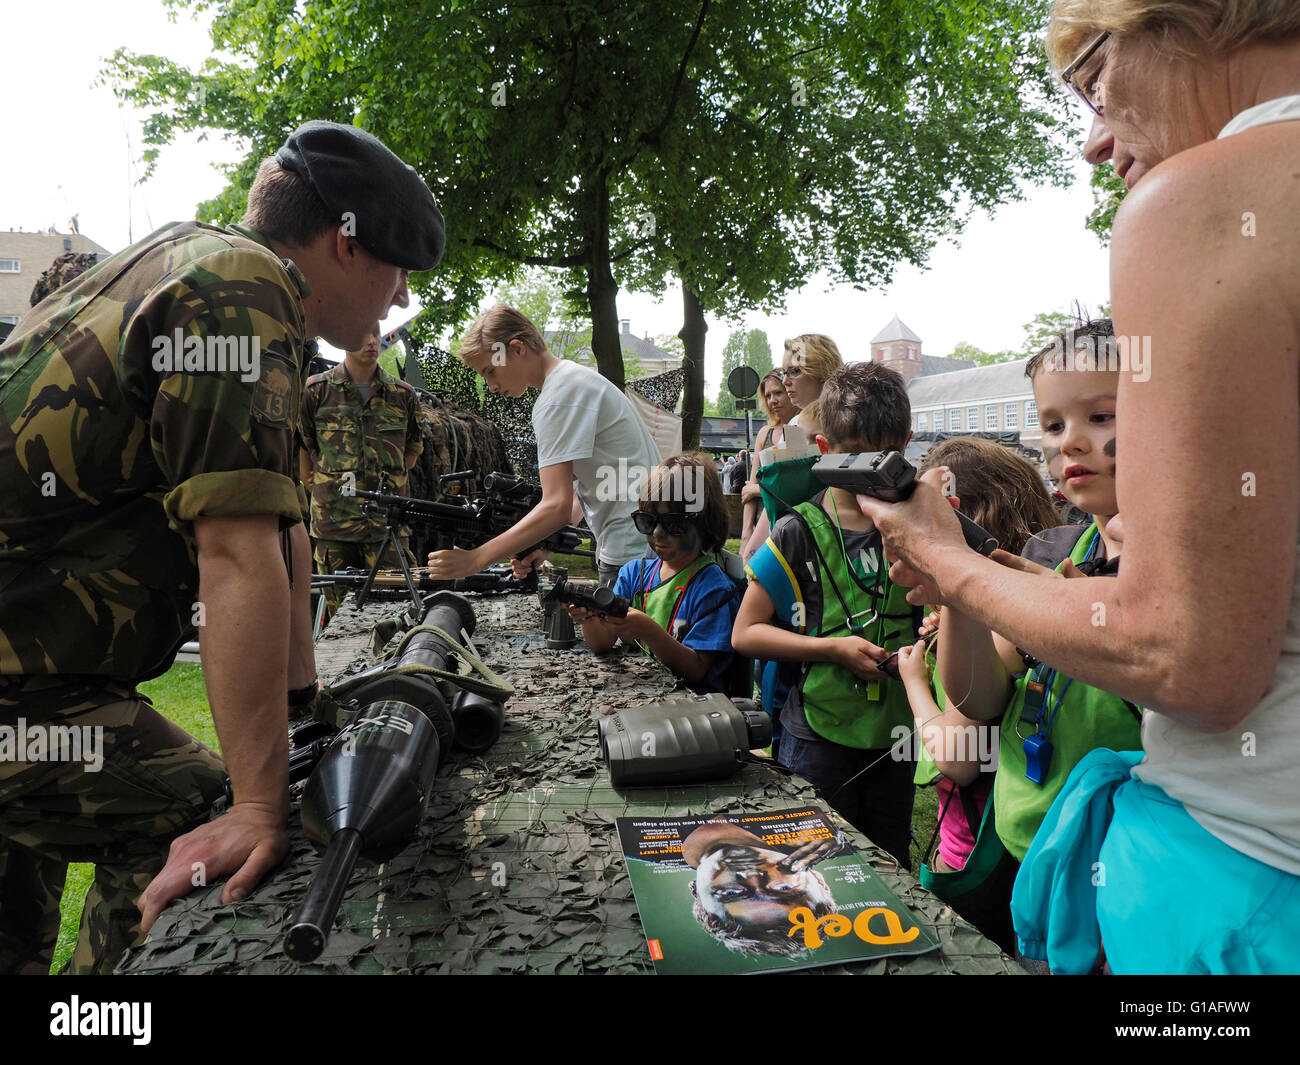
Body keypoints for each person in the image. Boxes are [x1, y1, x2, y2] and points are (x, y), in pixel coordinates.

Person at [857, 0, 1300, 974]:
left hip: (1246, 887)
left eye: (1093, 83)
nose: (1096, 142)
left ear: (1198, 18)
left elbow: (1193, 659)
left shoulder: (1206, 198)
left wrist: (941, 556)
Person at [0, 119, 443, 974]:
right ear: (344, 246)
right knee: (194, 817)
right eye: (396, 269)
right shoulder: (242, 291)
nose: (398, 300)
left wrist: (303, 700)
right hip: (24, 691)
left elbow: (280, 523)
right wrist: (256, 801)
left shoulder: (191, 257)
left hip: (36, 672)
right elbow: (234, 554)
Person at [733, 362, 919, 868]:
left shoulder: (924, 528)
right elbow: (745, 633)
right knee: (813, 866)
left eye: (884, 457)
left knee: (888, 863)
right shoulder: (798, 529)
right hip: (817, 735)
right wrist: (830, 649)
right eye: (852, 454)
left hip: (894, 736)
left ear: (906, 442)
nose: (868, 472)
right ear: (822, 449)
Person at [427, 304, 661, 588]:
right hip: (648, 540)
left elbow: (556, 505)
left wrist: (476, 559)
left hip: (633, 552)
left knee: (623, 631)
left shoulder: (557, 398)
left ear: (517, 349)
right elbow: (579, 493)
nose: (490, 385)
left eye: (490, 371)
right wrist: (544, 542)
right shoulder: (573, 381)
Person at [568, 452, 739, 695]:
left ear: (704, 522)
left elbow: (697, 669)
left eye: (673, 522)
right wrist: (589, 619)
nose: (658, 533)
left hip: (693, 710)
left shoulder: (714, 590)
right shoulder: (633, 574)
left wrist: (648, 631)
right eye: (649, 521)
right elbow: (602, 642)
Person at [300, 324, 425, 616]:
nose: (371, 341)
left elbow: (411, 455)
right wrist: (325, 489)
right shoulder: (316, 391)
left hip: (388, 529)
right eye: (364, 333)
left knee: (395, 612)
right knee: (341, 617)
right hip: (335, 529)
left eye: (376, 334)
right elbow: (304, 451)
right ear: (345, 336)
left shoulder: (402, 395)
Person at [681, 820, 843, 957]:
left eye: (731, 892)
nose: (750, 875)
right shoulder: (796, 828)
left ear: (697, 894)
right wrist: (826, 824)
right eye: (784, 887)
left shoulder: (663, 849)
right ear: (818, 879)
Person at [740, 370, 794, 548]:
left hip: (791, 526)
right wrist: (747, 532)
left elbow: (794, 487)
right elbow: (748, 492)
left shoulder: (801, 429)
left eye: (778, 393)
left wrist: (757, 489)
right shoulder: (765, 433)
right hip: (761, 528)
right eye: (768, 395)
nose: (772, 400)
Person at [781, 333, 843, 427]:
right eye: (784, 373)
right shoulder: (794, 424)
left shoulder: (851, 420)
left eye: (794, 371)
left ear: (822, 371)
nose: (784, 381)